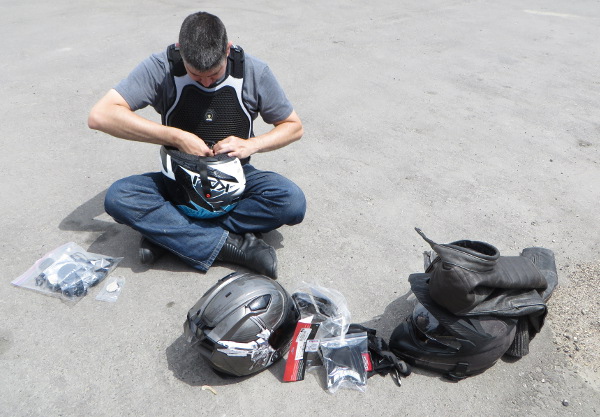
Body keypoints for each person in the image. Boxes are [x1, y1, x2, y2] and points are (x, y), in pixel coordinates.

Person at [88, 11, 306, 279]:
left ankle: (169, 234)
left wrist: (252, 144)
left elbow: (293, 126)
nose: (206, 82)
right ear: (180, 51)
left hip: (234, 180)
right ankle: (233, 246)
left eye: (214, 74)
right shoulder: (161, 67)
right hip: (177, 182)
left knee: (291, 201)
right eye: (195, 75)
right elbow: (100, 115)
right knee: (119, 197)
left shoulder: (254, 72)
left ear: (227, 49)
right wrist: (175, 137)